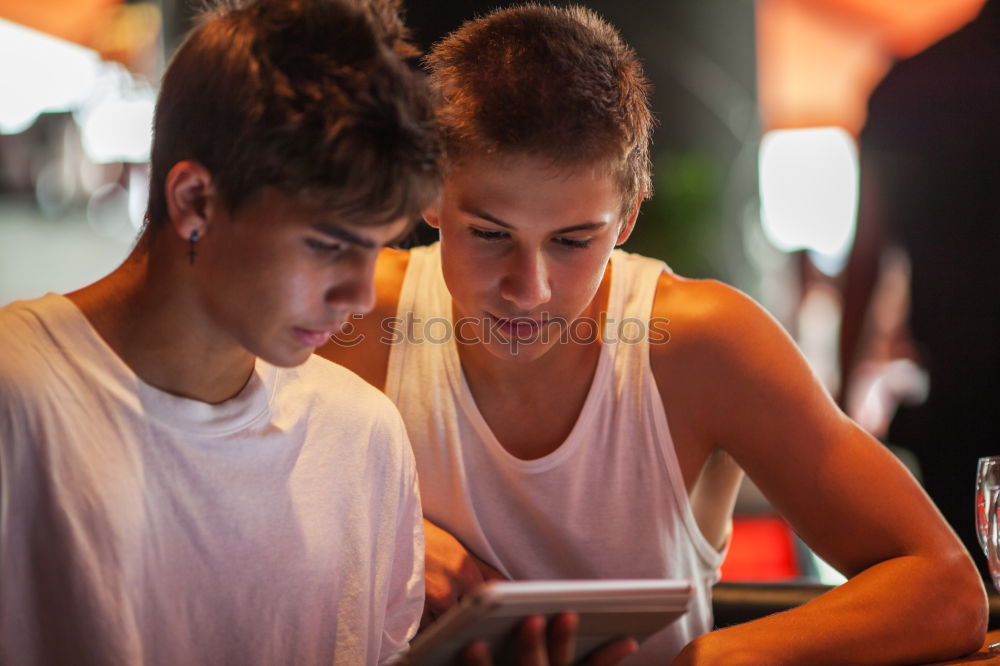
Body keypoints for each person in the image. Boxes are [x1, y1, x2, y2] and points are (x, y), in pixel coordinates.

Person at [319, 4, 987, 663]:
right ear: (429, 193)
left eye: (574, 241)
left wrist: (716, 660)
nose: (530, 289)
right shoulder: (346, 311)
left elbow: (948, 588)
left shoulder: (704, 345)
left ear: (629, 217)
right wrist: (395, 544)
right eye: (490, 234)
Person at [0, 1, 606, 664]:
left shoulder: (362, 435)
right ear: (195, 201)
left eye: (376, 249)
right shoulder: (20, 398)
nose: (358, 294)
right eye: (327, 244)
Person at [839, 0, 1000, 582]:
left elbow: (867, 259)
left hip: (960, 406)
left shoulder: (909, 86)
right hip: (959, 396)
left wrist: (839, 407)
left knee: (973, 595)